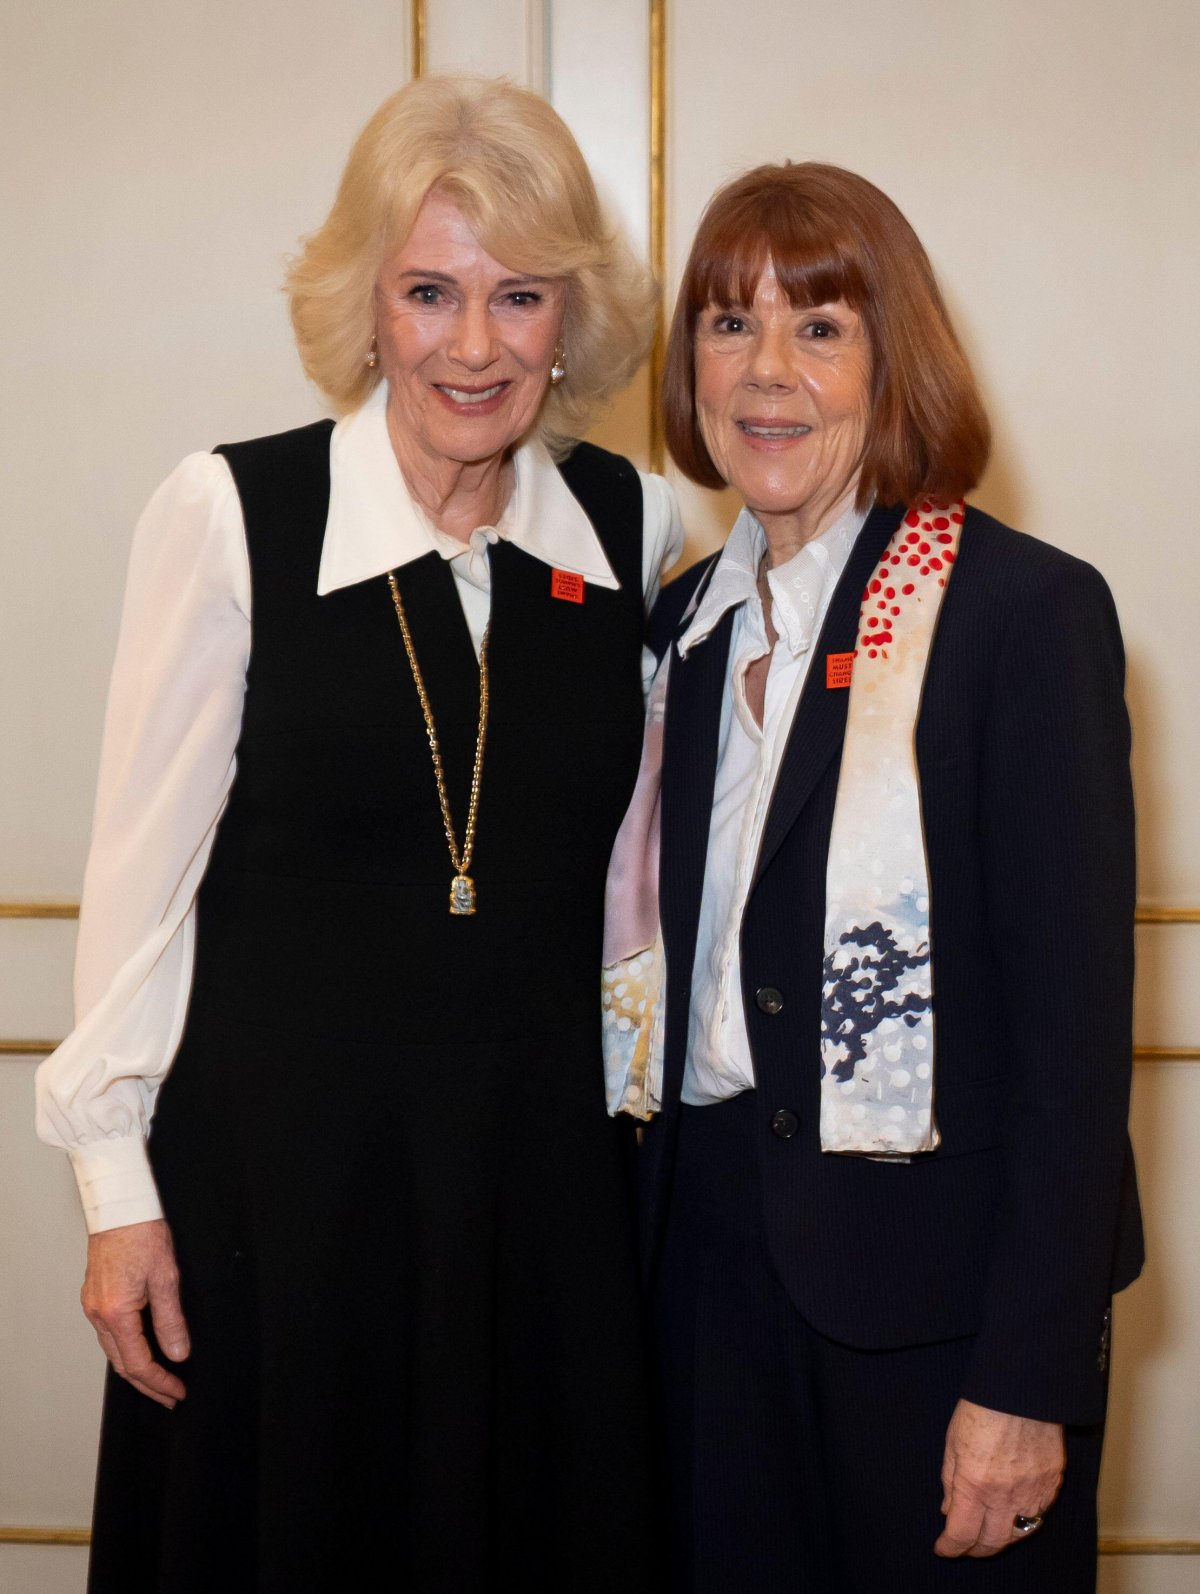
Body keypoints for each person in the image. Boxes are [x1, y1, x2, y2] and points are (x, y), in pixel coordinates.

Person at [37, 75, 682, 1593]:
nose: (474, 345)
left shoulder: (634, 526)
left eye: (520, 297)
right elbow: (137, 886)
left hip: (537, 1198)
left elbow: (647, 893)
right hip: (281, 1191)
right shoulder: (229, 514)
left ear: (570, 315)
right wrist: (117, 1201)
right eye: (430, 293)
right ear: (367, 304)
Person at [602, 162, 1142, 1592]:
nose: (767, 373)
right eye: (729, 326)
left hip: (934, 1309)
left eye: (820, 328)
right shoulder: (678, 638)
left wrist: (1030, 1378)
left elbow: (1075, 1047)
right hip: (700, 1285)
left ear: (890, 356)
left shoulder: (1023, 616)